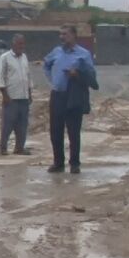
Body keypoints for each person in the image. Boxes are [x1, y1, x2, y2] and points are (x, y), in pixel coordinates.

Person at [43, 25, 97, 174]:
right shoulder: (56, 52)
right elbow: (46, 65)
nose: (62, 37)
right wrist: (52, 80)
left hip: (73, 96)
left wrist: (76, 75)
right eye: (60, 34)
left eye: (65, 34)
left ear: (73, 35)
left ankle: (74, 163)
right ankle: (58, 163)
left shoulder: (84, 54)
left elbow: (92, 77)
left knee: (73, 131)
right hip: (57, 95)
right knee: (55, 130)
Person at [0, 34, 33, 156]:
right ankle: (3, 148)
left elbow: (28, 76)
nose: (21, 46)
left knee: (22, 125)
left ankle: (19, 148)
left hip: (24, 97)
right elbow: (0, 76)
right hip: (11, 97)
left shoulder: (24, 57)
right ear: (13, 44)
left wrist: (30, 94)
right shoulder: (5, 57)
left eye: (23, 44)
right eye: (19, 44)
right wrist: (4, 95)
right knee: (8, 124)